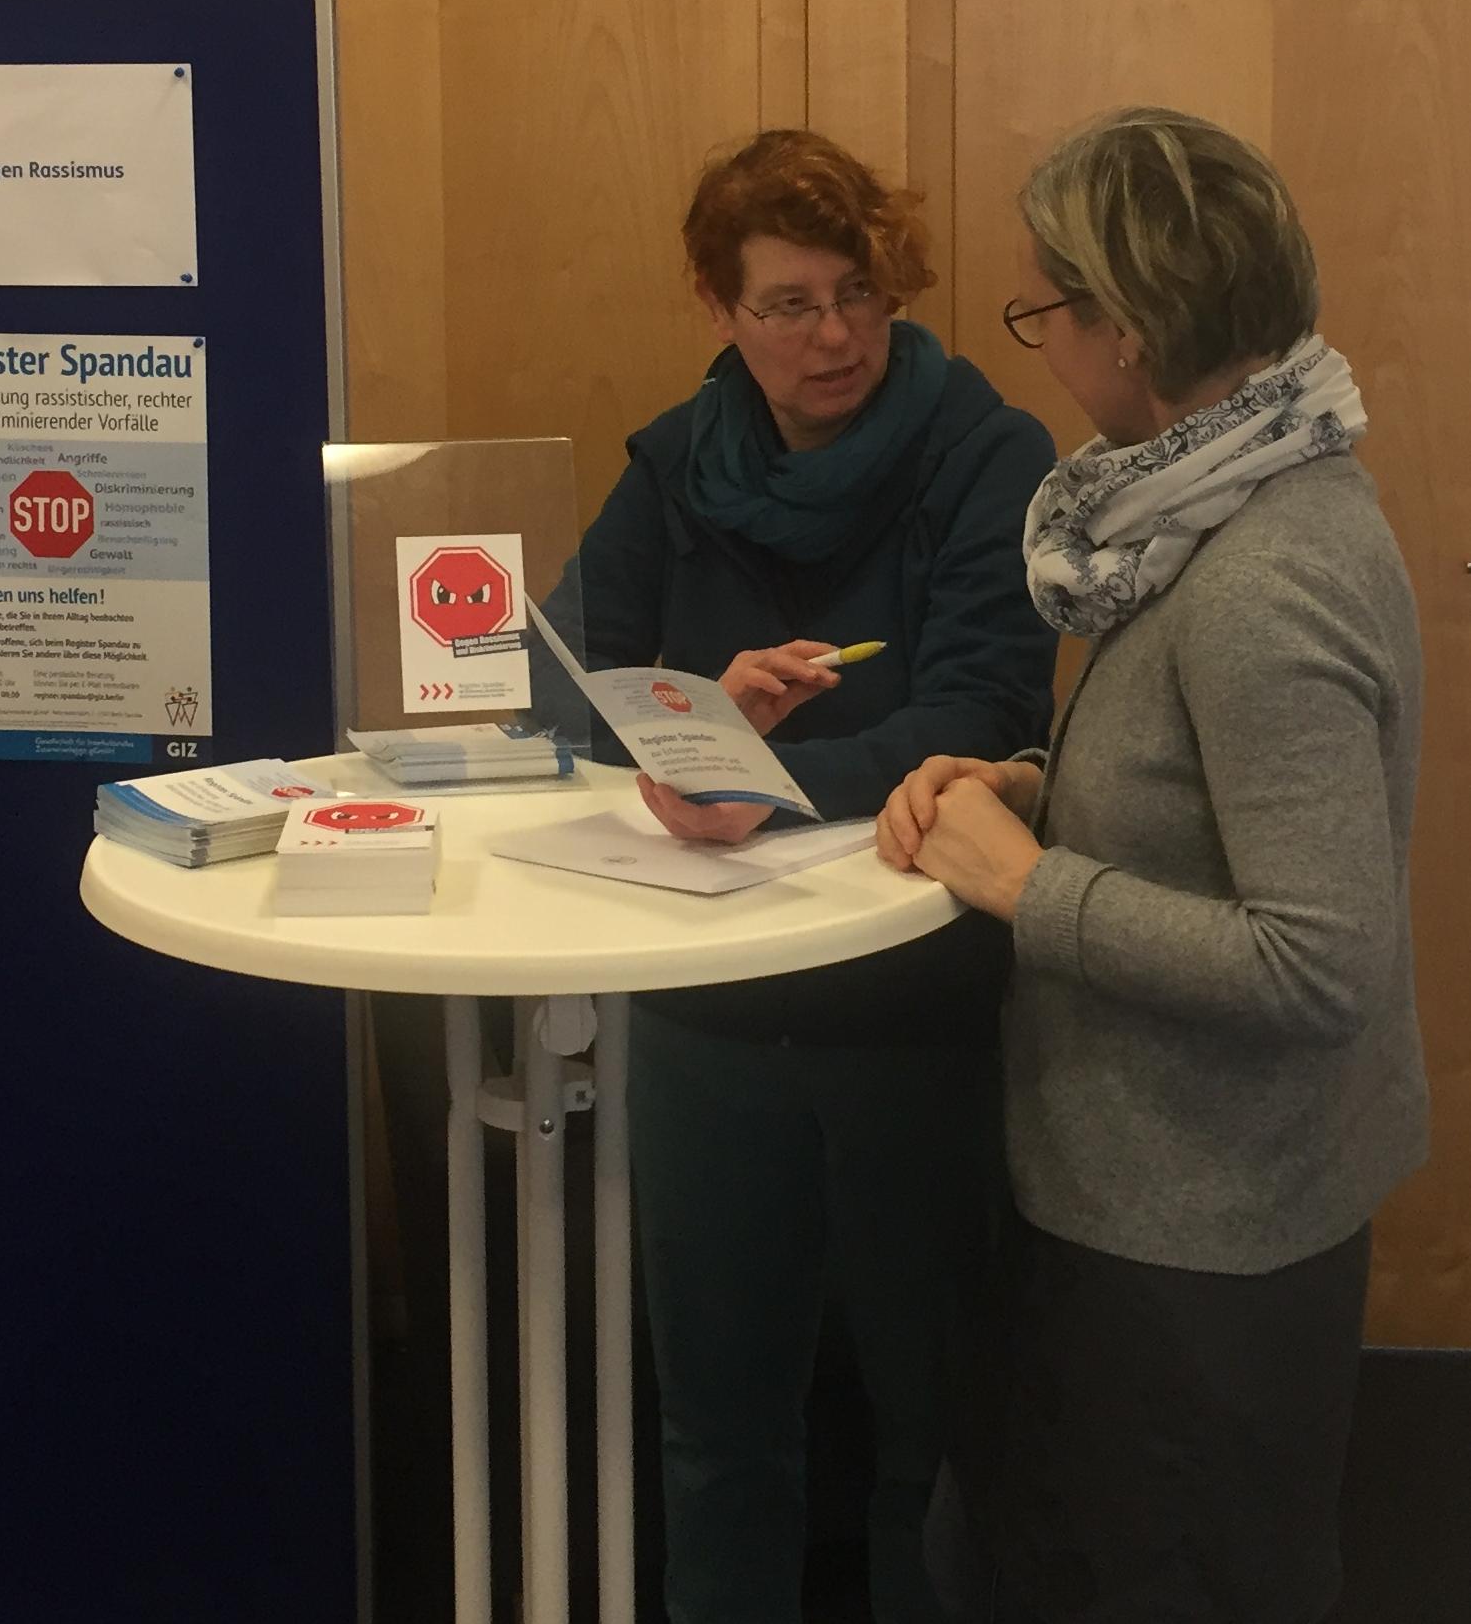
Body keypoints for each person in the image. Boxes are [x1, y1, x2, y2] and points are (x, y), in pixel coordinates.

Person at [877, 107, 1429, 1623]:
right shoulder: (1228, 489)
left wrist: (1022, 884)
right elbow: (1207, 798)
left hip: (1199, 1240)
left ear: (1125, 325)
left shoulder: (1262, 572)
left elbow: (1315, 960)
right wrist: (1038, 793)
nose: (1039, 346)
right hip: (1163, 1202)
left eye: (1042, 315)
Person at [556, 129, 1058, 1624]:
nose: (833, 337)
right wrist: (687, 719)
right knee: (716, 1434)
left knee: (934, 1440)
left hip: (913, 1005)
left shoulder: (988, 452)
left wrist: (750, 783)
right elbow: (562, 687)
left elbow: (981, 720)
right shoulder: (675, 459)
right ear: (717, 307)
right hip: (706, 1008)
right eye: (786, 305)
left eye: (858, 295)